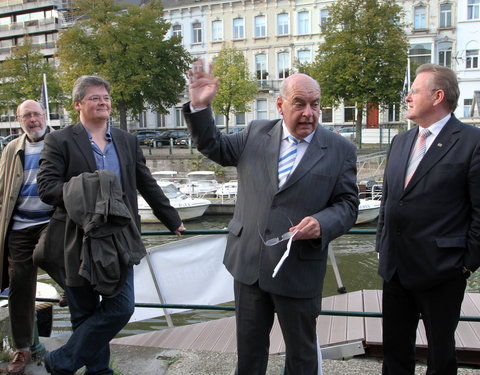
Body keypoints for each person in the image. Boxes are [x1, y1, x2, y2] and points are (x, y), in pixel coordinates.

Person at [183, 59, 359, 375]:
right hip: (249, 264)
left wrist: (322, 223)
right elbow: (215, 146)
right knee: (249, 354)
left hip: (299, 268)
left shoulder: (340, 149)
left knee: (302, 357)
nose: (309, 113)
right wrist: (199, 108)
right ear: (280, 105)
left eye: (315, 104)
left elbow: (347, 204)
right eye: (300, 104)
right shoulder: (255, 133)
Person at [37, 75, 185, 375]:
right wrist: (89, 189)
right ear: (78, 104)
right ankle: (100, 371)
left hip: (119, 238)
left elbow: (146, 183)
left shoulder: (127, 140)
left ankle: (61, 361)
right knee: (84, 312)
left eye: (105, 96)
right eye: (95, 98)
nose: (103, 102)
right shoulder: (60, 140)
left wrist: (171, 218)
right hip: (77, 238)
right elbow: (46, 187)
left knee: (122, 307)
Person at [376, 63, 480, 375]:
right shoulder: (401, 142)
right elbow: (388, 200)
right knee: (394, 355)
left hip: (442, 271)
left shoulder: (472, 142)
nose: (407, 97)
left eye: (414, 91)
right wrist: (382, 244)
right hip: (395, 269)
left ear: (437, 96)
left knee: (441, 357)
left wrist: (465, 264)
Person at [0, 100, 66, 375]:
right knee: (19, 287)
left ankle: (71, 289)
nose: (32, 120)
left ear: (44, 116)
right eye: (26, 115)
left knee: (48, 254)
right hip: (18, 225)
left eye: (36, 114)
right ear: (19, 120)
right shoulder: (11, 148)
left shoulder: (59, 142)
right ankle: (23, 347)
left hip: (49, 219)